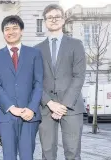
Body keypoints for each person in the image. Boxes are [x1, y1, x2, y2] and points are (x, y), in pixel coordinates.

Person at [35, 4, 86, 160]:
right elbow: (35, 80)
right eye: (50, 17)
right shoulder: (36, 49)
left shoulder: (76, 45)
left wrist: (63, 105)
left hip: (71, 107)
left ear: (63, 20)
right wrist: (50, 103)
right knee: (47, 153)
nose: (54, 19)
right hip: (46, 108)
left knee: (72, 152)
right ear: (45, 22)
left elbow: (79, 76)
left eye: (57, 16)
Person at [0, 15, 43, 160]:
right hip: (6, 116)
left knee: (27, 156)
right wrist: (11, 107)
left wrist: (31, 108)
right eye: (7, 29)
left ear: (22, 31)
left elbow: (38, 83)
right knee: (9, 156)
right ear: (3, 33)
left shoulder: (35, 54)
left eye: (14, 28)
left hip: (29, 116)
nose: (10, 32)